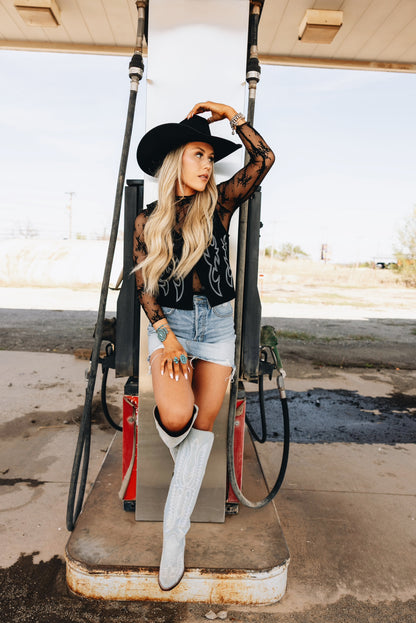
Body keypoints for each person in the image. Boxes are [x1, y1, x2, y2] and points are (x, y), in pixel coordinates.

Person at [133, 101, 275, 591]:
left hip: (216, 327)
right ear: (176, 159)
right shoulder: (147, 220)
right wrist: (166, 337)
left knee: (202, 428)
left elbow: (264, 159)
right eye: (199, 154)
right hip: (170, 325)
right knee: (178, 417)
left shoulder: (220, 206)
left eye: (211, 157)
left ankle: (174, 537)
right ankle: (185, 485)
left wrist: (233, 115)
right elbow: (144, 290)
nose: (208, 165)